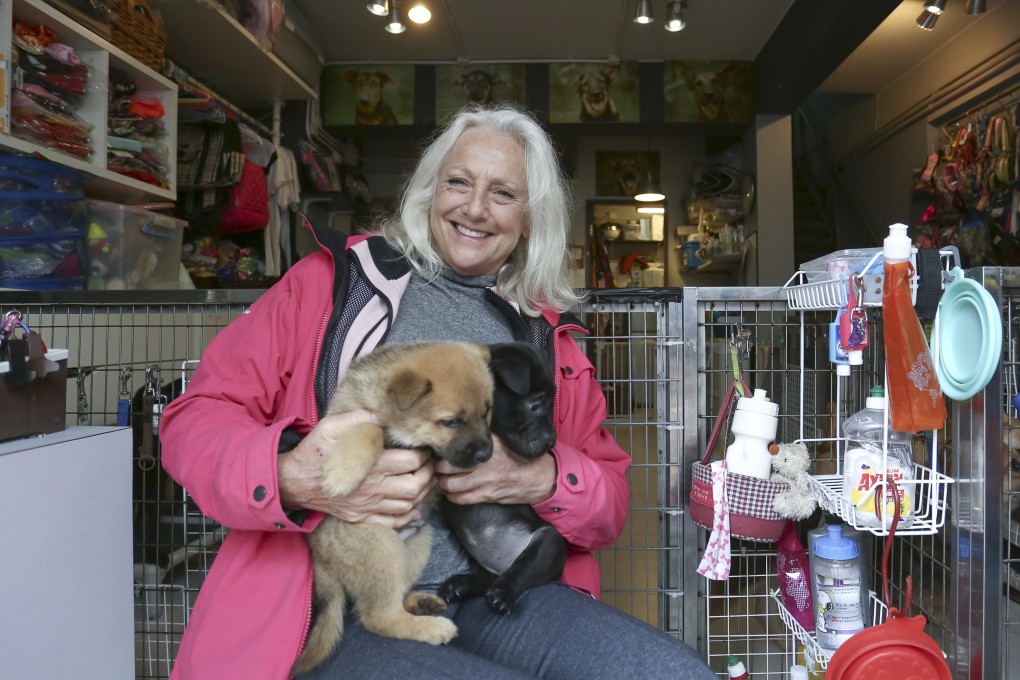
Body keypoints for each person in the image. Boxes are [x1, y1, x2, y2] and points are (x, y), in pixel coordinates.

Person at [159, 104, 715, 680]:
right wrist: (292, 477)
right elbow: (193, 420)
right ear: (429, 190)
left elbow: (610, 505)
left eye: (503, 193)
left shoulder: (542, 336)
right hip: (329, 601)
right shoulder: (330, 286)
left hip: (490, 590)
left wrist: (545, 477)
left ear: (529, 219)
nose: (474, 208)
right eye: (458, 182)